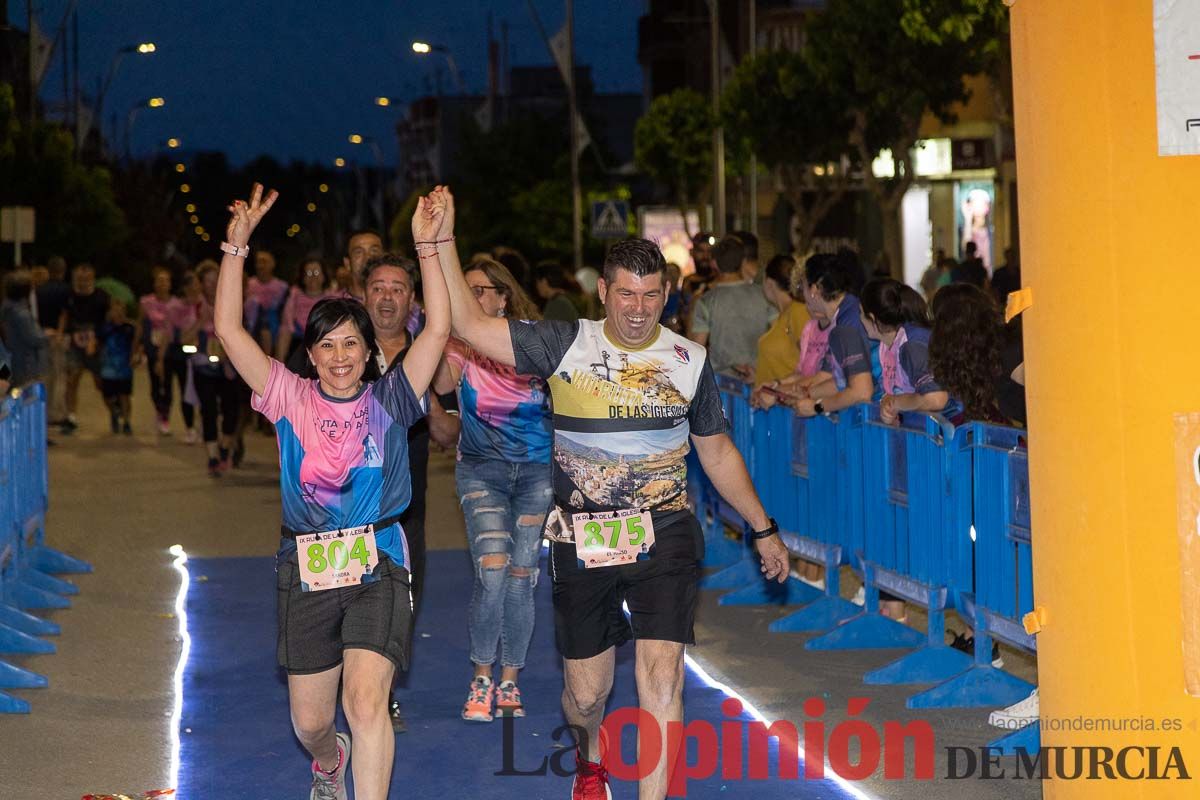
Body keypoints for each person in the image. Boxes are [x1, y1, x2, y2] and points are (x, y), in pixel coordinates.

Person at [427, 186, 788, 800]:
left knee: (662, 674)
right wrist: (439, 239)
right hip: (582, 536)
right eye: (626, 293)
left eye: (651, 295)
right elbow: (466, 323)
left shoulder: (689, 360)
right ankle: (590, 754)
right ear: (604, 292)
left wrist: (763, 526)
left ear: (667, 294)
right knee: (586, 693)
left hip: (665, 531)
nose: (639, 308)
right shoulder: (564, 343)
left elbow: (717, 451)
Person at [213, 183, 450, 800]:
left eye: (352, 343)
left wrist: (428, 244)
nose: (339, 356)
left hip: (379, 561)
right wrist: (235, 250)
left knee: (367, 700)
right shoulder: (289, 397)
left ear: (371, 352)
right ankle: (328, 761)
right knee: (312, 721)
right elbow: (228, 331)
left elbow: (440, 327)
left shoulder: (394, 398)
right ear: (311, 354)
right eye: (327, 344)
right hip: (309, 565)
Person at [432, 257, 552, 723]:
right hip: (482, 472)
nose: (474, 298)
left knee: (524, 578)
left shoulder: (536, 341)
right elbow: (440, 386)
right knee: (494, 572)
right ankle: (481, 678)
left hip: (537, 473)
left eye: (482, 290)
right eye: (468, 290)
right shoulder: (461, 347)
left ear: (504, 296)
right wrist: (443, 326)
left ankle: (510, 681)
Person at [353, 251, 460, 733]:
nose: (388, 296)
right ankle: (353, 687)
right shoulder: (341, 348)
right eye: (378, 287)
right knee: (345, 597)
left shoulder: (429, 353)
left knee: (401, 601)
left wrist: (429, 398)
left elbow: (448, 434)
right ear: (364, 295)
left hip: (404, 508)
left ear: (412, 299)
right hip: (345, 503)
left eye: (398, 288)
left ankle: (383, 693)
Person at [688, 235, 777, 379]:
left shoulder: (706, 301)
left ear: (714, 263)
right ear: (743, 261)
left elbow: (697, 348)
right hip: (760, 380)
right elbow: (777, 334)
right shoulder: (764, 295)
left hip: (721, 383)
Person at [188, 261, 241, 476]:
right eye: (207, 281)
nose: (211, 285)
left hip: (228, 366)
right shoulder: (194, 307)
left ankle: (225, 448)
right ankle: (212, 456)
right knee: (208, 410)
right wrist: (200, 323)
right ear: (201, 284)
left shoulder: (232, 303)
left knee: (232, 410)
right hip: (204, 367)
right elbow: (183, 339)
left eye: (215, 280)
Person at [58, 263, 111, 434]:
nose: (82, 282)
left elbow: (107, 322)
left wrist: (96, 341)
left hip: (95, 344)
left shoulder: (102, 297)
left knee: (100, 382)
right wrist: (61, 333)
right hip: (75, 342)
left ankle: (115, 411)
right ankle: (71, 416)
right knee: (72, 379)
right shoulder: (69, 296)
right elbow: (64, 315)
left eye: (86, 279)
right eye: (79, 279)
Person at [753, 254, 810, 385]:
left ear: (769, 283)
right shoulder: (784, 314)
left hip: (788, 401)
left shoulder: (798, 312)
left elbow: (810, 368)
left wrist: (779, 385)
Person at [140, 266, 182, 434]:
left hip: (171, 348)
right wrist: (137, 348)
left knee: (168, 383)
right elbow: (141, 326)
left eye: (166, 280)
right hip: (152, 347)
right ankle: (159, 409)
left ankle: (165, 416)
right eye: (159, 280)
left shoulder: (176, 304)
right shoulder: (146, 302)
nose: (162, 284)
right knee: (155, 384)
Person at [276, 257, 335, 364]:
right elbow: (287, 323)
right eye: (308, 273)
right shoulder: (294, 294)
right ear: (302, 277)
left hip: (325, 341)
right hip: (299, 341)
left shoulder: (332, 297)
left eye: (316, 272)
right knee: (284, 332)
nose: (312, 277)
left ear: (324, 276)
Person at [0, 270, 49, 391]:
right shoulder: (21, 313)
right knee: (23, 396)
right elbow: (33, 338)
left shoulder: (6, 308)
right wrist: (45, 335)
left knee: (12, 392)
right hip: (24, 364)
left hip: (9, 360)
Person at [35, 256, 70, 423]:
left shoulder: (38, 290)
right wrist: (60, 333)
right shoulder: (65, 290)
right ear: (63, 271)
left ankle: (43, 411)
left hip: (41, 335)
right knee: (59, 376)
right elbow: (64, 314)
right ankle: (56, 413)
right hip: (58, 337)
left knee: (44, 376)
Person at [168, 271, 201, 443]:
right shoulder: (177, 307)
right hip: (183, 355)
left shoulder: (206, 304)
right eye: (194, 284)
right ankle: (190, 427)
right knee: (185, 391)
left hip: (204, 353)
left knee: (204, 390)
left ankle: (202, 423)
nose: (197, 287)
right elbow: (178, 335)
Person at [99, 294, 138, 435]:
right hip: (108, 368)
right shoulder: (105, 328)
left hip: (124, 367)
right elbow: (99, 344)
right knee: (107, 395)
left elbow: (136, 345)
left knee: (125, 395)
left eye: (120, 310)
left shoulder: (130, 327)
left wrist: (135, 357)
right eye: (115, 310)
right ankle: (114, 413)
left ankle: (127, 422)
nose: (118, 313)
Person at [246, 250, 290, 354]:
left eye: (264, 261)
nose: (261, 265)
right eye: (258, 262)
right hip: (252, 325)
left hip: (275, 325)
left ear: (273, 264)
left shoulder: (282, 287)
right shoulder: (248, 285)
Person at [342, 230, 385, 302]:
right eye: (359, 252)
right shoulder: (335, 308)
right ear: (347, 263)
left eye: (374, 251)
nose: (368, 257)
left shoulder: (398, 304)